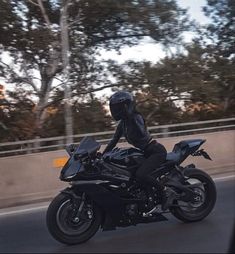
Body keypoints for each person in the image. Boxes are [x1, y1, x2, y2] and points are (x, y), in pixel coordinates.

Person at [103, 90, 173, 211]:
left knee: (140, 175)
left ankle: (165, 191)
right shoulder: (122, 124)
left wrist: (130, 116)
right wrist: (102, 155)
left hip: (155, 151)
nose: (115, 110)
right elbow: (113, 141)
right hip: (145, 152)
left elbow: (140, 131)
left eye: (117, 107)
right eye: (113, 108)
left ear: (125, 106)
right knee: (132, 176)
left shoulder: (136, 117)